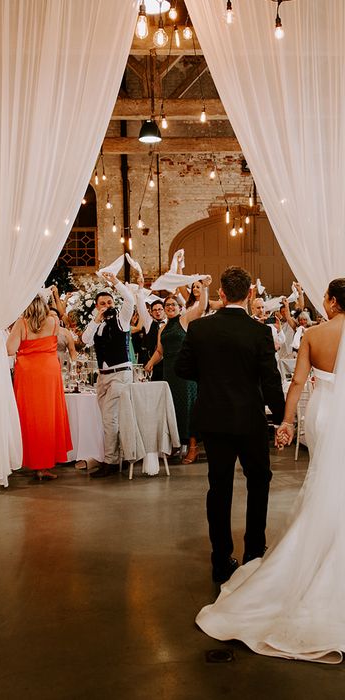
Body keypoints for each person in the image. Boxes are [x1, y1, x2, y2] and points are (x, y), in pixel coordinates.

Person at [194, 278, 345, 664]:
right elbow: (271, 378)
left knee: (323, 477)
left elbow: (295, 380)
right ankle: (260, 548)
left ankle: (227, 555)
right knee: (312, 481)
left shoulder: (314, 333)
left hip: (325, 414)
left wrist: (287, 422)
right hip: (256, 419)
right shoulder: (260, 332)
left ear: (330, 300)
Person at [175, 266, 285, 583]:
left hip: (214, 418)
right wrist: (281, 420)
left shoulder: (199, 329)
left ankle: (221, 560)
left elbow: (183, 368)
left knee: (219, 489)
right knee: (259, 482)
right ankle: (253, 552)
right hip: (249, 419)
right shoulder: (260, 332)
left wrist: (211, 380)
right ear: (250, 294)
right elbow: (271, 380)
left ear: (221, 294)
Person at [145, 277, 212, 464]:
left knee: (188, 407)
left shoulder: (185, 319)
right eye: (167, 306)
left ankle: (193, 447)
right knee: (172, 408)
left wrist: (205, 288)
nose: (170, 308)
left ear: (179, 307)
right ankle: (176, 444)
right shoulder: (163, 328)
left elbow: (201, 307)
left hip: (185, 371)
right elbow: (160, 351)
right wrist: (150, 363)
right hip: (169, 372)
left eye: (173, 305)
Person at [7, 295, 72, 481]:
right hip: (49, 370)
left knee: (30, 416)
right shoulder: (53, 321)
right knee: (49, 415)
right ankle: (44, 465)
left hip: (28, 371)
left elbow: (10, 349)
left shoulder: (22, 323)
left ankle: (34, 461)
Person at [81, 272, 134, 478]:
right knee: (108, 419)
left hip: (120, 374)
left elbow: (129, 299)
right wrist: (96, 319)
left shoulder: (122, 320)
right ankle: (116, 456)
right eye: (102, 303)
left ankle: (111, 461)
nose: (106, 305)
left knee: (110, 418)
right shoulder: (97, 324)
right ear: (96, 306)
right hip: (103, 376)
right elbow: (85, 340)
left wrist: (116, 283)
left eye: (109, 302)